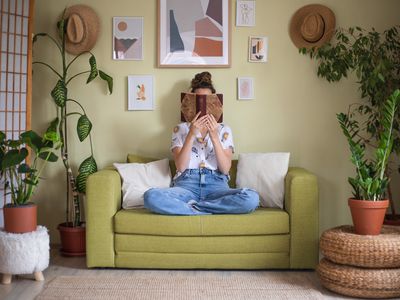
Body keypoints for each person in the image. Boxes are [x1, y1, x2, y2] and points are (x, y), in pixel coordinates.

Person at [144, 72, 259, 215]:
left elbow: (225, 169)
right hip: (186, 185)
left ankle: (194, 208)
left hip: (217, 185)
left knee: (251, 198)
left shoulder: (224, 129)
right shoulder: (180, 129)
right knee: (151, 197)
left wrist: (214, 136)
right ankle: (209, 208)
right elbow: (180, 166)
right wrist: (191, 133)